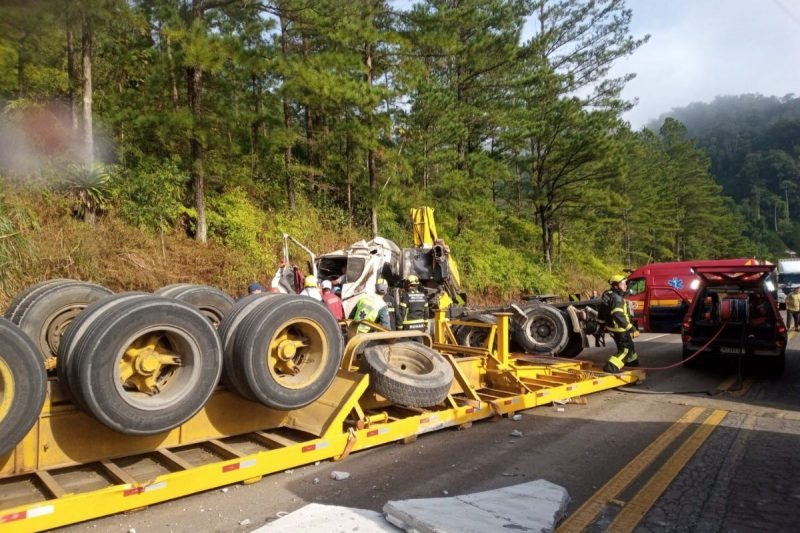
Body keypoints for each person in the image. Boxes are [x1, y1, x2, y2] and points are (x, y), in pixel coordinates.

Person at [602, 274, 639, 373]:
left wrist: (628, 304)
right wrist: (631, 328)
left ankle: (633, 366)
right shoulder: (616, 298)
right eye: (623, 284)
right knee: (625, 351)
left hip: (614, 328)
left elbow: (605, 310)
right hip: (620, 329)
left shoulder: (608, 294)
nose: (626, 286)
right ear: (615, 286)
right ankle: (610, 368)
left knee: (630, 349)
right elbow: (618, 315)